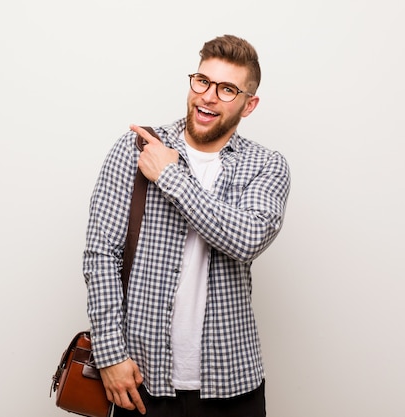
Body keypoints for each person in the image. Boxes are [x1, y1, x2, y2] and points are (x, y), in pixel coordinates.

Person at [83, 34, 290, 417]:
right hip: (141, 381)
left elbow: (247, 238)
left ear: (249, 104)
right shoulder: (135, 149)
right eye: (203, 81)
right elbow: (101, 256)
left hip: (233, 384)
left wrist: (170, 176)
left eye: (227, 89)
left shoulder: (266, 165)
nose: (209, 96)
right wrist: (110, 353)